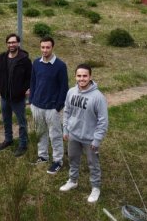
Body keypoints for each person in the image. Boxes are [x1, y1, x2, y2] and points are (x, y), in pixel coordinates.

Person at [59, 64, 109, 204]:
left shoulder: (98, 97)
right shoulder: (71, 92)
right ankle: (73, 180)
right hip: (74, 135)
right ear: (75, 76)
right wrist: (66, 129)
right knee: (73, 159)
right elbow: (67, 111)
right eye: (79, 76)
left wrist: (97, 139)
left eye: (85, 76)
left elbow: (103, 121)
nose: (82, 79)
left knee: (93, 163)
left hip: (90, 138)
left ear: (90, 77)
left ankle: (95, 188)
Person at [29, 36, 68, 174]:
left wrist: (58, 107)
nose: (45, 50)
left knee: (55, 135)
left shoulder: (60, 66)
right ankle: (43, 156)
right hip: (37, 106)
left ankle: (58, 161)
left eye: (47, 47)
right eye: (42, 47)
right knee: (40, 133)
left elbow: (64, 88)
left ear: (52, 48)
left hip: (52, 108)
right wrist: (32, 101)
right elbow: (32, 82)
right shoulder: (36, 63)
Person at [0, 33, 32, 157]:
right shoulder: (2, 57)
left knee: (21, 122)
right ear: (7, 44)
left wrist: (23, 90)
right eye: (9, 42)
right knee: (6, 120)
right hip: (5, 96)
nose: (11, 44)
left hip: (18, 98)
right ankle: (8, 139)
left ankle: (23, 144)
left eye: (13, 42)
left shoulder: (24, 60)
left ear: (18, 43)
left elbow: (29, 77)